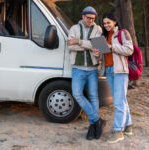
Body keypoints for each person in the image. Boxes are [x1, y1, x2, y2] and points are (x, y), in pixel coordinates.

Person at [67, 6, 106, 140]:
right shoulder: (73, 28)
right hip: (78, 68)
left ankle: (92, 126)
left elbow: (100, 47)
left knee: (93, 96)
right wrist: (89, 45)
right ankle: (97, 120)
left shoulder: (98, 29)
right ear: (83, 16)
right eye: (88, 18)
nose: (91, 20)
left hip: (92, 68)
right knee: (77, 94)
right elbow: (70, 46)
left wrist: (78, 41)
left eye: (93, 18)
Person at [102, 13, 133, 143]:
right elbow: (105, 55)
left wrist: (111, 47)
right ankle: (128, 126)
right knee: (120, 99)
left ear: (115, 21)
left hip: (119, 70)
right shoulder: (105, 36)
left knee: (118, 102)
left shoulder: (122, 33)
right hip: (109, 70)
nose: (106, 25)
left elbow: (129, 50)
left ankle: (118, 131)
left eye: (108, 22)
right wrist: (99, 52)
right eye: (104, 23)